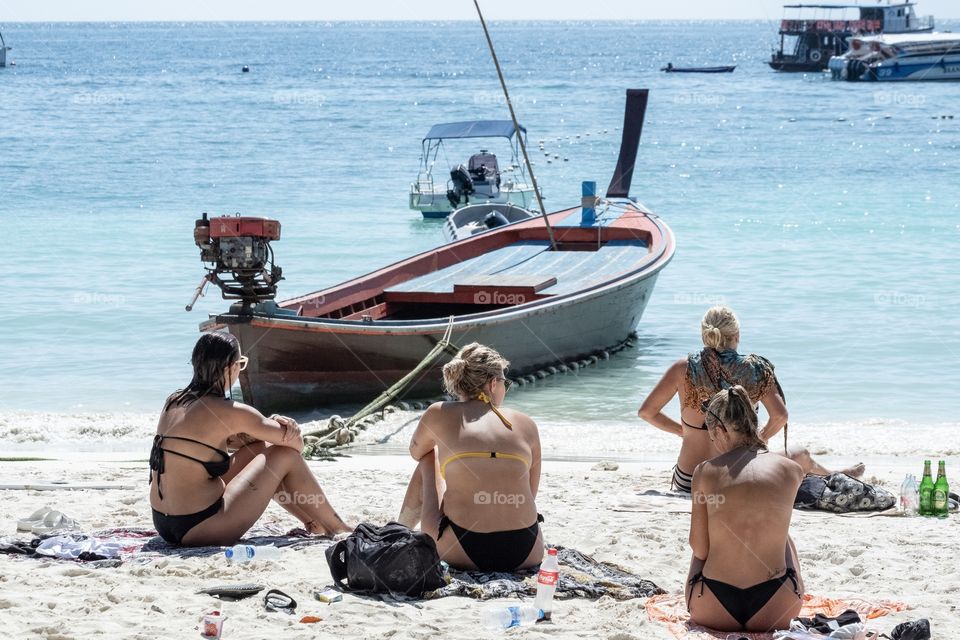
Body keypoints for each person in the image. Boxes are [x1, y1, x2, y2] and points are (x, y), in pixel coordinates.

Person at [149, 333, 351, 546]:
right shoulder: (231, 411)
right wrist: (285, 426)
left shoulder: (173, 401)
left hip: (164, 523)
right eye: (241, 363)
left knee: (260, 449)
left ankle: (312, 523)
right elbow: (296, 446)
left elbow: (205, 444)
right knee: (284, 455)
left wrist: (256, 433)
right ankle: (337, 527)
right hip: (203, 527)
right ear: (231, 367)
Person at [638, 305, 863, 493]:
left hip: (690, 482)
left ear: (704, 334)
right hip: (738, 480)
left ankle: (835, 474)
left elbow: (647, 413)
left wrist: (684, 432)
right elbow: (780, 416)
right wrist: (759, 439)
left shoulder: (682, 368)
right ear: (737, 335)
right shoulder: (754, 369)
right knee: (800, 454)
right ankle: (835, 475)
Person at [397, 343, 543, 572]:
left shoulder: (439, 412)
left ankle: (400, 529)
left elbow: (416, 452)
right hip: (527, 550)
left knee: (429, 455)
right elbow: (530, 494)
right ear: (493, 383)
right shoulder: (526, 423)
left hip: (463, 551)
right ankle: (401, 529)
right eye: (505, 383)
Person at [686, 386, 805, 632]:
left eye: (711, 435)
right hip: (776, 608)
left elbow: (699, 548)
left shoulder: (704, 471)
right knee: (783, 537)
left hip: (712, 607)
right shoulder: (792, 470)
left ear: (720, 430)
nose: (713, 442)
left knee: (703, 541)